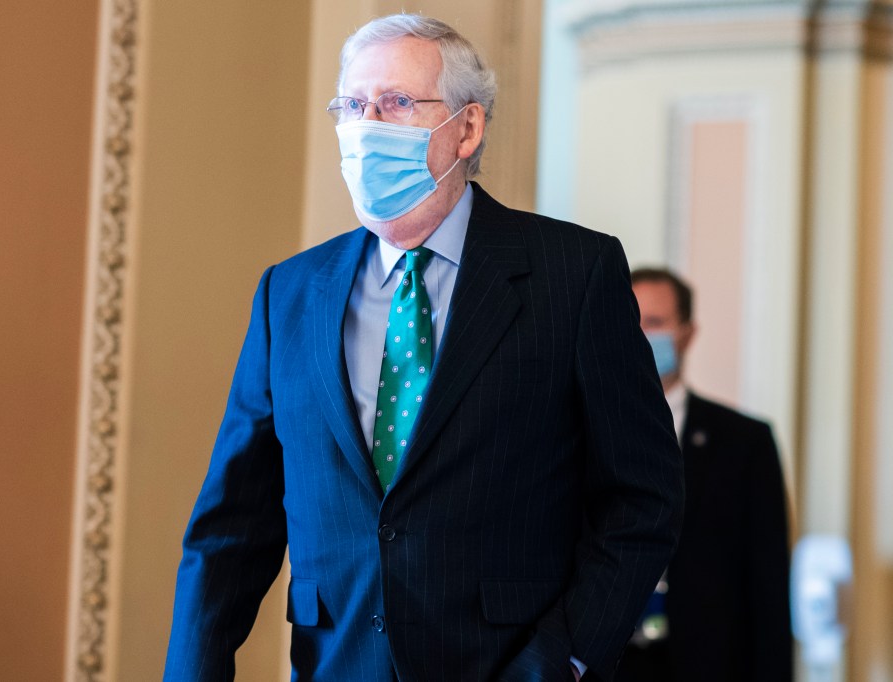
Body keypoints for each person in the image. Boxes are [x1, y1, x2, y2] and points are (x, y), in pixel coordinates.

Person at [164, 14, 683, 682]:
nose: (366, 124)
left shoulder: (574, 274)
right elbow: (230, 528)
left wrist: (565, 661)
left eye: (397, 103)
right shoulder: (289, 294)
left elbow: (641, 502)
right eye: (353, 105)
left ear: (467, 129)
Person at [618, 267, 793, 682]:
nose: (641, 334)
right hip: (606, 662)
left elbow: (768, 584)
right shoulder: (578, 430)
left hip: (708, 661)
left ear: (687, 333)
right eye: (631, 321)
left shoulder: (745, 442)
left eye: (656, 323)